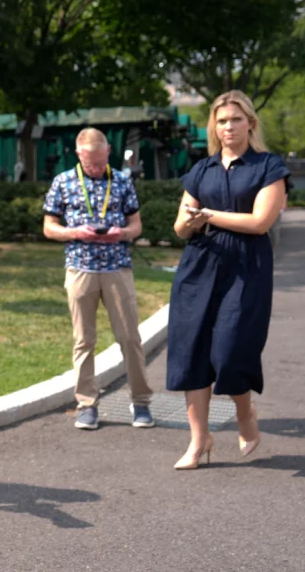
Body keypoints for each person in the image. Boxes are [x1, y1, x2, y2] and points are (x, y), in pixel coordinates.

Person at [166, 90, 289, 470]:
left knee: (231, 350)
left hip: (246, 267)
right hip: (199, 265)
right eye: (221, 121)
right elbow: (180, 227)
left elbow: (259, 222)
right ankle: (199, 440)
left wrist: (207, 215)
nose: (228, 127)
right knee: (191, 353)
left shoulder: (268, 166)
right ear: (214, 127)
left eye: (236, 119)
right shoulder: (201, 170)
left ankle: (245, 411)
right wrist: (190, 221)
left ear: (250, 123)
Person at [43, 128, 155, 430]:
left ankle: (141, 402)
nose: (94, 167)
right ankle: (86, 404)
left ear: (108, 153)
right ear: (78, 154)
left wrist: (123, 233)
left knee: (130, 338)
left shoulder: (121, 181)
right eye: (88, 162)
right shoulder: (63, 181)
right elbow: (49, 226)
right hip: (80, 267)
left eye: (99, 161)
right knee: (84, 340)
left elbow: (137, 225)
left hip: (117, 266)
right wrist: (74, 233)